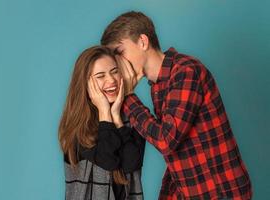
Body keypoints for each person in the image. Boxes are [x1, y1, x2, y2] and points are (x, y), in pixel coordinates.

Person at [101, 11, 252, 199]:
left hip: (221, 193)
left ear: (142, 41)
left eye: (120, 52)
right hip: (194, 190)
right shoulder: (159, 84)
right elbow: (182, 149)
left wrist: (129, 97)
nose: (118, 63)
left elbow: (166, 140)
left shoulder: (185, 72)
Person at [58, 46, 145, 200]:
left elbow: (132, 164)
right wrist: (105, 112)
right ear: (86, 84)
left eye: (114, 71)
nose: (111, 80)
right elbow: (107, 160)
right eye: (100, 76)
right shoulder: (78, 125)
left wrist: (117, 118)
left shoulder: (133, 117)